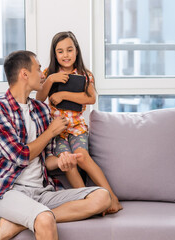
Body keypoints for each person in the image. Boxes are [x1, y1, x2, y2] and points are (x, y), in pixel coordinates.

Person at [0, 50, 112, 240]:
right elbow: (20, 156)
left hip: (41, 192)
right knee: (44, 220)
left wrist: (61, 162)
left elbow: (46, 159)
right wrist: (51, 131)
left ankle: (18, 224)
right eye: (39, 69)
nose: (43, 74)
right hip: (6, 192)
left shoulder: (41, 110)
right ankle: (37, 216)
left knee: (102, 197)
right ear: (24, 74)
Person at [36, 31, 122, 214]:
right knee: (69, 162)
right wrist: (51, 80)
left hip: (77, 128)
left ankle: (112, 197)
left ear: (76, 51)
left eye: (69, 50)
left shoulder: (85, 74)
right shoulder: (48, 74)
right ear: (55, 54)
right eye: (60, 51)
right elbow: (39, 97)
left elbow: (90, 98)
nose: (65, 55)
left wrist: (63, 94)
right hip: (57, 130)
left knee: (81, 156)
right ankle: (87, 202)